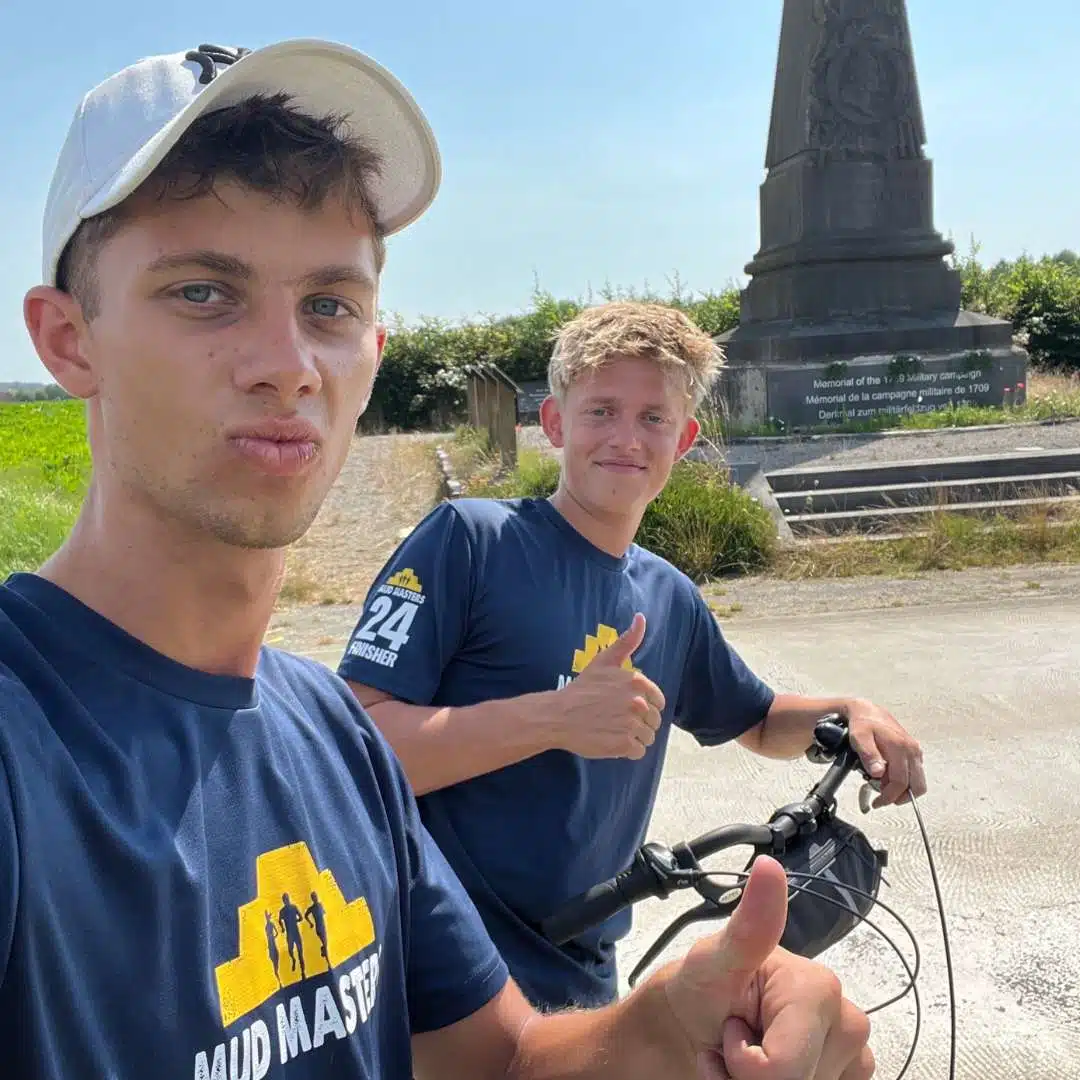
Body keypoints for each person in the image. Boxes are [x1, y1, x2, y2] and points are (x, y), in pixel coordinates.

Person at [0, 36, 876, 1080]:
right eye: (202, 292)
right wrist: (555, 718)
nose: (287, 366)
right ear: (67, 340)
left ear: (372, 354)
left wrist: (654, 1038)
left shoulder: (327, 737)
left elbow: (504, 1058)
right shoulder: (27, 746)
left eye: (329, 304)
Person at [338, 300, 929, 1012]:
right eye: (601, 411)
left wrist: (852, 712)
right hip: (438, 969)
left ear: (684, 439)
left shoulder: (668, 596)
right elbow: (357, 753)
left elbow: (761, 720)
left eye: (654, 418)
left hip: (583, 965)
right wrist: (555, 718)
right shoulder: (471, 541)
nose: (626, 437)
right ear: (554, 424)